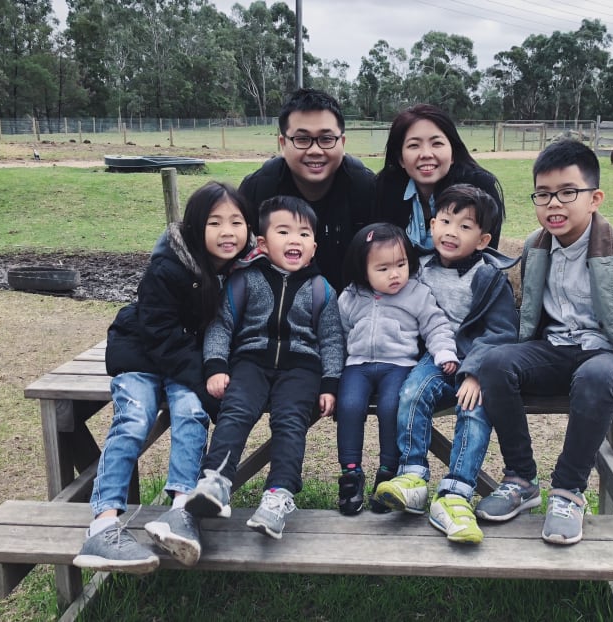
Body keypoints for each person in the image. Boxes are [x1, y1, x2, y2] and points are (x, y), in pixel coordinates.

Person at [474, 139, 613, 545]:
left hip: (608, 357)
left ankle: (568, 492)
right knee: (496, 363)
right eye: (543, 194)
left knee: (596, 375)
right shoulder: (536, 247)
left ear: (594, 198)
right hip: (557, 349)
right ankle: (521, 479)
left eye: (567, 192)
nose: (554, 204)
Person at [73, 181, 251, 573]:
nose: (227, 232)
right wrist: (205, 380)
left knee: (190, 413)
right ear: (193, 227)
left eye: (237, 222)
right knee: (134, 421)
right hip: (141, 354)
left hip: (186, 360)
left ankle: (180, 511)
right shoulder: (169, 266)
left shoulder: (241, 270)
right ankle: (102, 525)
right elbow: (160, 334)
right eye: (215, 222)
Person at [177, 195, 344, 543]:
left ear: (314, 245)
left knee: (290, 423)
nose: (294, 240)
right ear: (264, 243)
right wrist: (216, 366)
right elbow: (221, 325)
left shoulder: (322, 289)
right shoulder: (244, 281)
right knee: (235, 412)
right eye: (284, 232)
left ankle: (279, 496)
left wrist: (330, 383)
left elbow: (331, 340)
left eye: (304, 234)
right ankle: (216, 482)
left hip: (302, 370)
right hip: (250, 362)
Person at [373, 184, 518, 544]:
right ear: (431, 223)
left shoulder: (489, 276)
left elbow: (501, 330)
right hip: (435, 357)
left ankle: (456, 493)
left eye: (465, 226)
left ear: (483, 239)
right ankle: (413, 477)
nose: (451, 232)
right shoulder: (419, 266)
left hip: (476, 363)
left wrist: (476, 373)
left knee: (475, 411)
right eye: (445, 221)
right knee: (411, 393)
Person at [335, 223, 459, 515]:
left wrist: (444, 352)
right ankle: (350, 474)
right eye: (383, 268)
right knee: (349, 405)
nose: (395, 274)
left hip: (398, 366)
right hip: (358, 366)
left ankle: (388, 472)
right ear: (362, 269)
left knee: (393, 405)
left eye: (401, 264)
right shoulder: (350, 297)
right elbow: (340, 335)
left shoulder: (416, 293)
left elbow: (436, 325)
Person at [239, 88, 377, 291]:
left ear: (343, 142)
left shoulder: (366, 188)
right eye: (302, 139)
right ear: (283, 144)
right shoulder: (257, 190)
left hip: (353, 311)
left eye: (326, 139)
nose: (315, 150)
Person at [376, 103, 505, 251]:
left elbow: (487, 256)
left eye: (437, 143)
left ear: (452, 154)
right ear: (401, 159)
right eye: (414, 145)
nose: (426, 154)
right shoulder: (385, 188)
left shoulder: (480, 188)